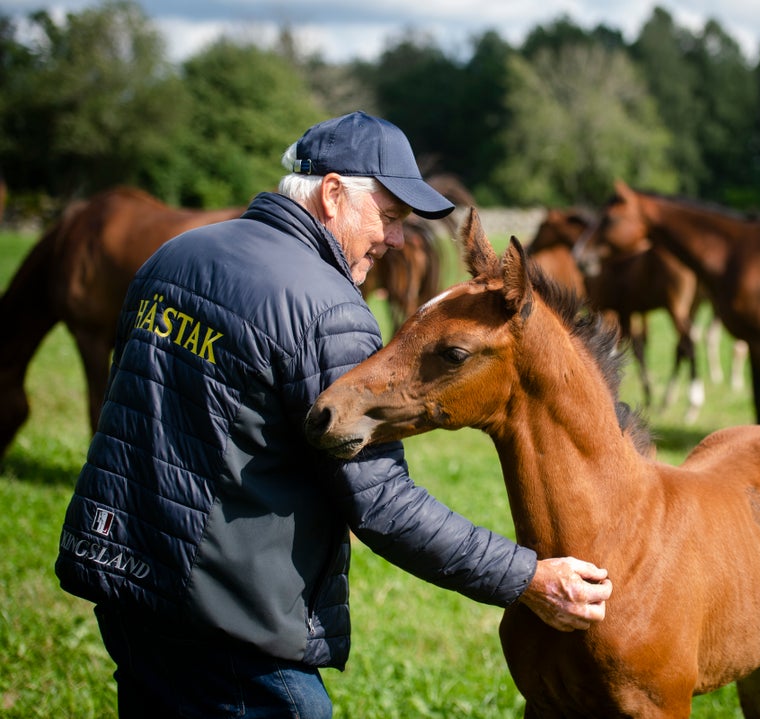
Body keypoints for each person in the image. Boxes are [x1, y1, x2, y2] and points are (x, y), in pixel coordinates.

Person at [55, 110, 612, 718]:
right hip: (230, 629)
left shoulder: (173, 256)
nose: (397, 241)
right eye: (391, 219)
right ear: (333, 193)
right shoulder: (325, 310)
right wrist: (525, 578)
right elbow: (381, 503)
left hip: (124, 588)